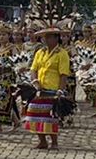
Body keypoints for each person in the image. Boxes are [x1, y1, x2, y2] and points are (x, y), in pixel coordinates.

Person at [24, 23, 72, 151]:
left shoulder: (62, 54)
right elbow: (33, 68)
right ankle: (42, 140)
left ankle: (54, 142)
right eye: (44, 37)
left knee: (51, 116)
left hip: (53, 89)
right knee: (34, 113)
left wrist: (60, 90)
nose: (45, 39)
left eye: (49, 37)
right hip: (39, 88)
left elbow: (63, 74)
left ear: (56, 38)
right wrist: (35, 81)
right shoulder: (40, 52)